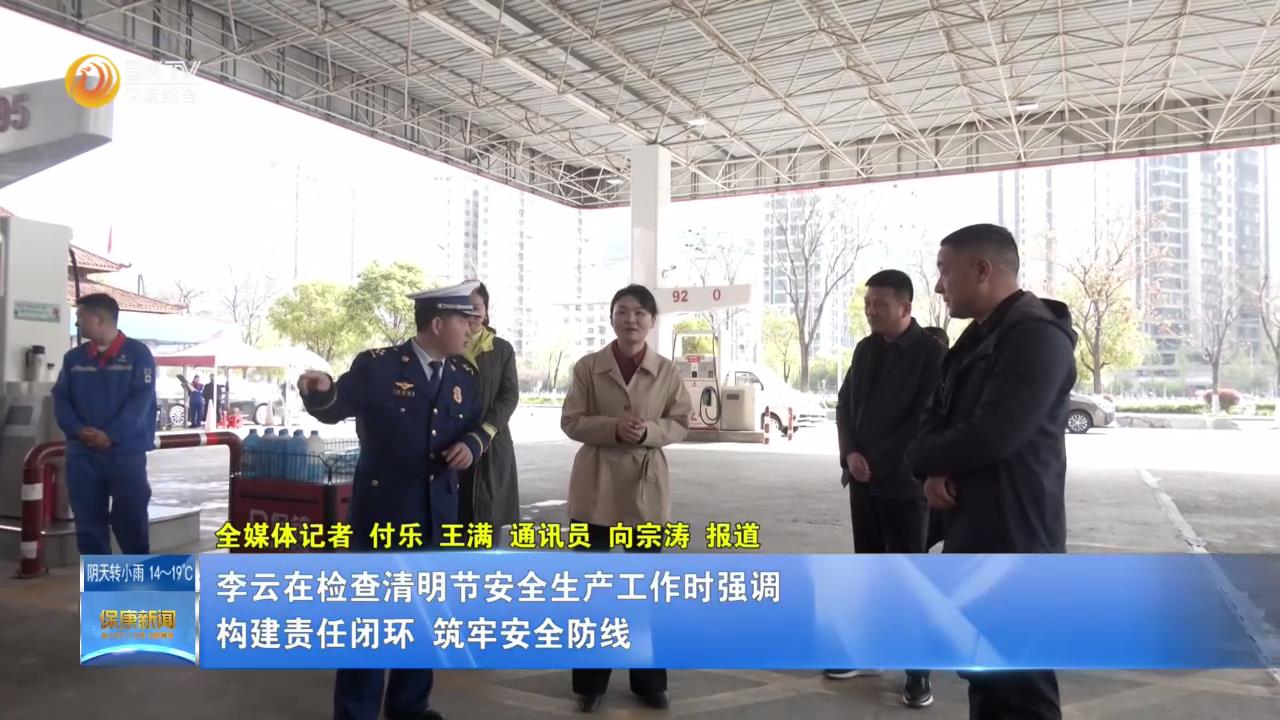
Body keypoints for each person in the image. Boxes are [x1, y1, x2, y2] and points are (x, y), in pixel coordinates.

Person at [297, 280, 493, 720]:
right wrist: (320, 391)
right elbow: (335, 405)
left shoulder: (463, 376)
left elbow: (476, 425)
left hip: (437, 515)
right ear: (438, 323)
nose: (472, 329)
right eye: (464, 320)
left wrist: (472, 445)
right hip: (384, 515)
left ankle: (409, 707)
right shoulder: (379, 366)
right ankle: (356, 712)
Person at [906, 224, 1076, 720]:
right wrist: (931, 467)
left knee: (1020, 688)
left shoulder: (1036, 338)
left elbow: (993, 435)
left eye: (945, 271)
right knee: (983, 675)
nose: (939, 286)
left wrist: (923, 459)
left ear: (983, 269)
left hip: (1016, 540)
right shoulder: (976, 339)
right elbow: (935, 415)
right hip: (973, 531)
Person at [560, 284, 692, 714]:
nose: (630, 319)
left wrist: (649, 431)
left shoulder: (666, 371)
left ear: (651, 321)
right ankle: (589, 683)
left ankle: (649, 682)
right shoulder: (588, 367)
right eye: (622, 311)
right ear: (611, 317)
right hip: (594, 486)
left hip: (644, 486)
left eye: (639, 313)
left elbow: (681, 421)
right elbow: (571, 420)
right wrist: (613, 428)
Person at [830, 270, 944, 709]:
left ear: (905, 307)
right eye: (867, 304)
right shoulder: (865, 349)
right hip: (863, 483)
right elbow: (844, 404)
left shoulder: (930, 354)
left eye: (879, 304)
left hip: (904, 485)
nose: (871, 311)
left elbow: (923, 417)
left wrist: (875, 459)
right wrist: (850, 454)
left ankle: (918, 670)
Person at [51, 293, 158, 555]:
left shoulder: (137, 354)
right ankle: (100, 580)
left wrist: (112, 435)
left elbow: (141, 400)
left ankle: (138, 576)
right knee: (88, 523)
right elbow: (61, 398)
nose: (77, 324)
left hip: (125, 452)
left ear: (97, 319)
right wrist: (77, 430)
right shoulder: (74, 359)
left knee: (131, 518)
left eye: (80, 317)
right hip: (82, 453)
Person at [458, 281, 521, 535]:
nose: (471, 313)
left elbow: (510, 395)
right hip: (452, 444)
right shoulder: (447, 346)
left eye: (476, 306)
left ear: (486, 310)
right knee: (453, 519)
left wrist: (486, 430)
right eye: (464, 306)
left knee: (486, 518)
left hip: (492, 444)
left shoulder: (502, 349)